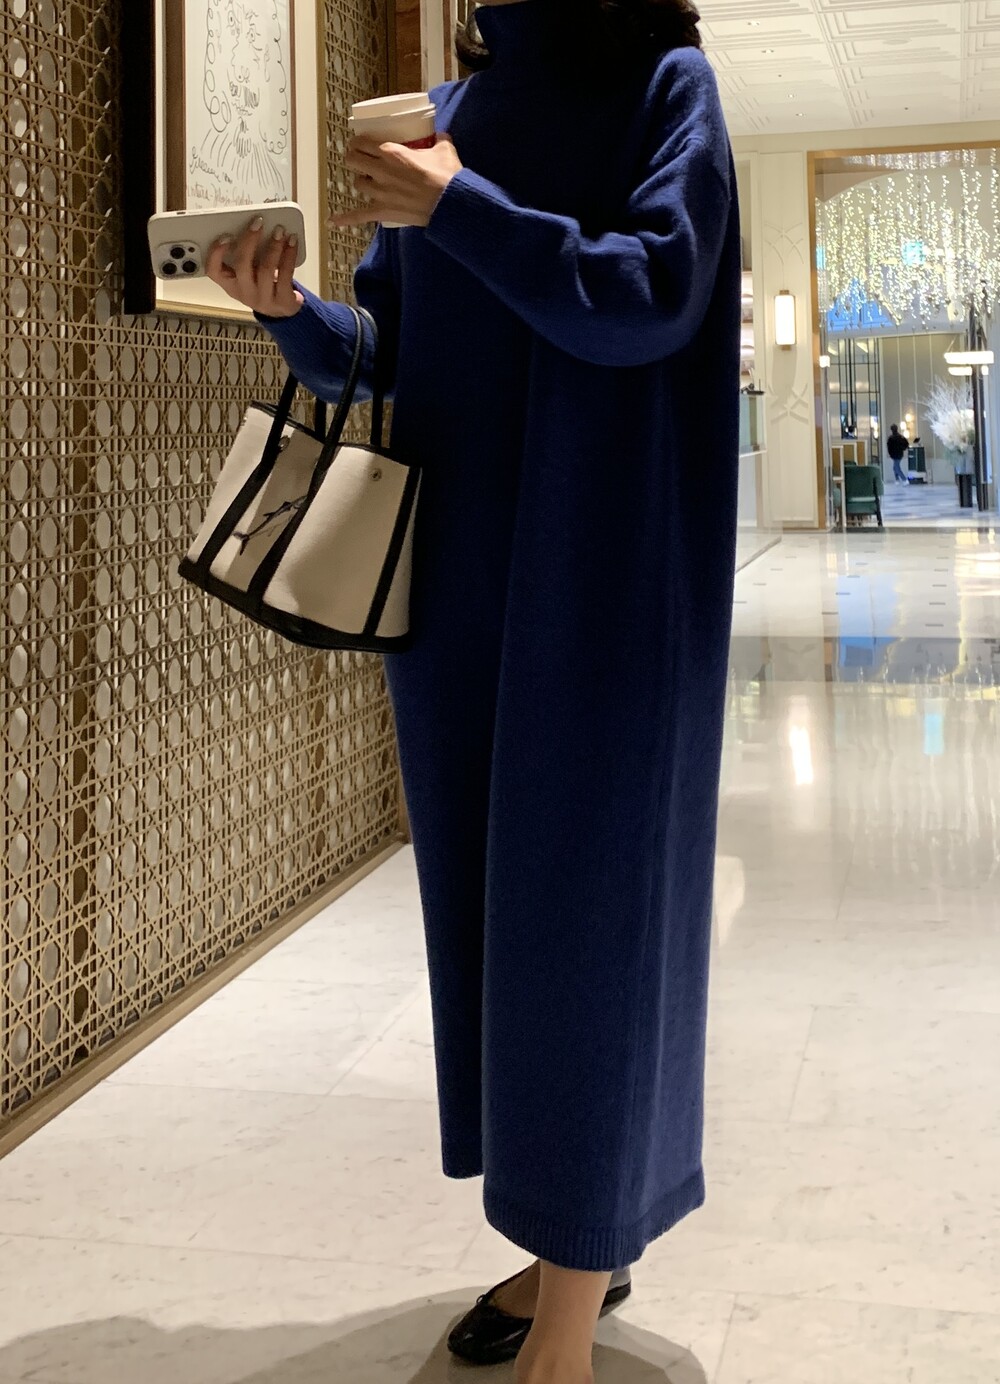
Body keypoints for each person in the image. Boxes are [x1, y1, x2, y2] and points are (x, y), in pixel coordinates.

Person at [207, 2, 740, 1380]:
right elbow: (390, 351)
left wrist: (464, 210)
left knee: (591, 932)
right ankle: (577, 1239)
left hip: (608, 586)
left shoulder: (665, 87)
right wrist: (288, 312)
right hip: (453, 592)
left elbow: (652, 297)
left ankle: (571, 1297)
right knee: (500, 936)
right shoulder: (444, 118)